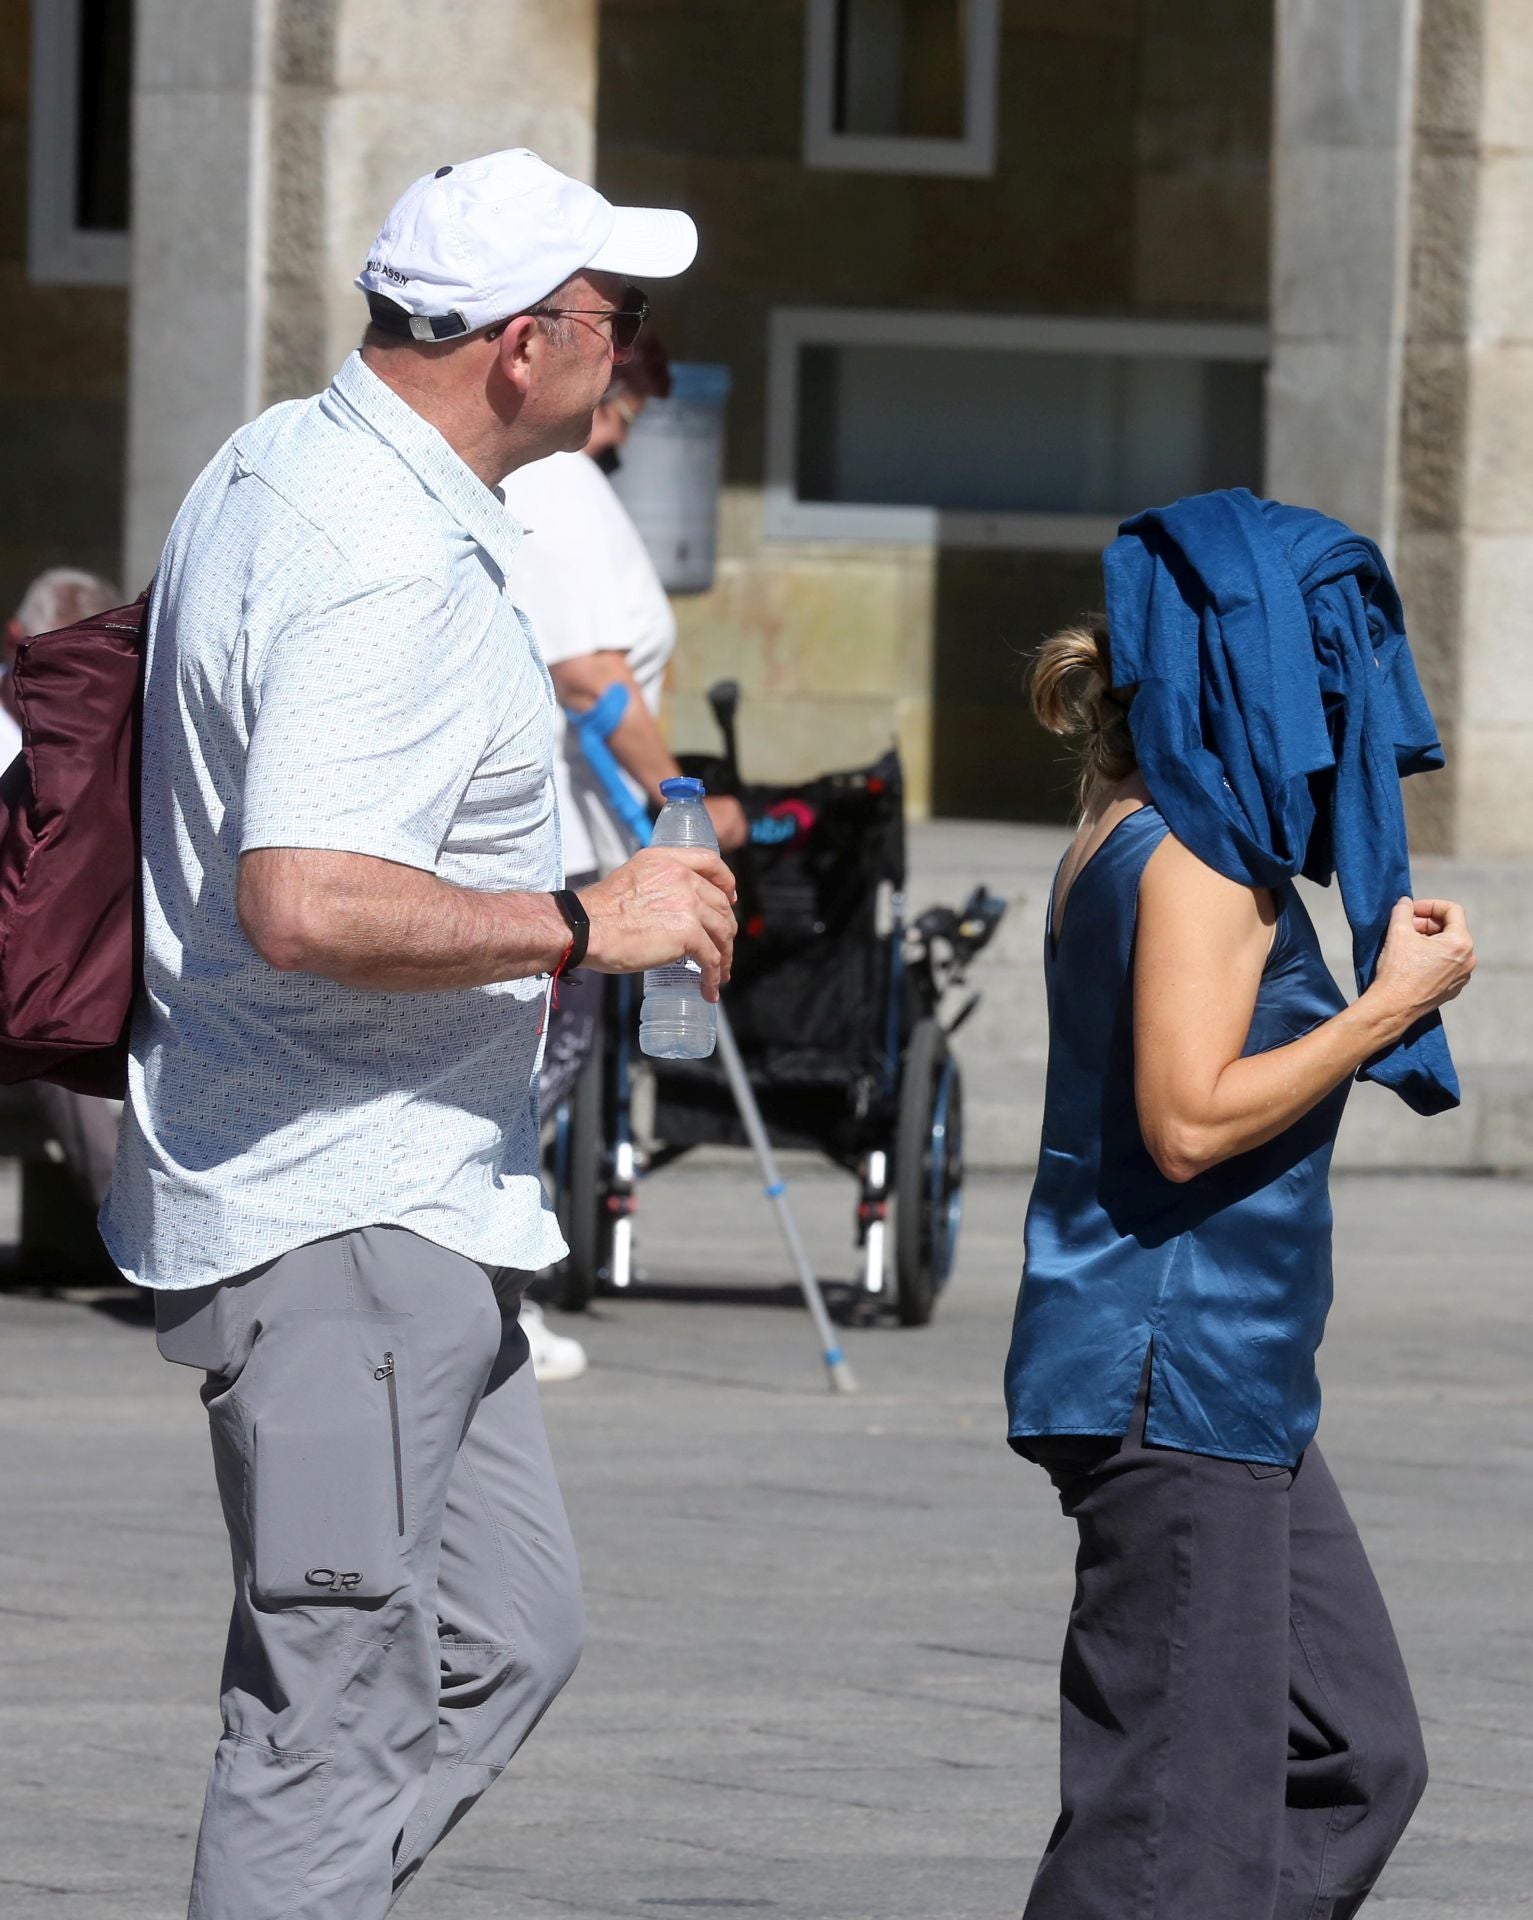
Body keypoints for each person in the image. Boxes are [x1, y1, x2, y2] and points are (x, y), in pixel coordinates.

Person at [100, 149, 736, 1919]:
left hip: (408, 1205)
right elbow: (302, 895)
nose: (632, 352)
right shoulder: (377, 552)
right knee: (328, 1722)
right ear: (520, 343)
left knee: (505, 1638)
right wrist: (576, 921)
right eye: (615, 319)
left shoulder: (291, 464)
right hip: (333, 1208)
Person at [1005, 494, 1476, 1918]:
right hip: (1173, 1369)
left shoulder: (1143, 824)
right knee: (1171, 1828)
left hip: (1228, 1379)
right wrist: (1386, 1007)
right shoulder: (1198, 862)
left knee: (1353, 1752)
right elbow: (1188, 1116)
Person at [4, 569, 126, 1209]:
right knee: (47, 1021)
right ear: (15, 640)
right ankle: (127, 1224)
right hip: (24, 972)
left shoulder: (118, 732)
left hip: (72, 959)